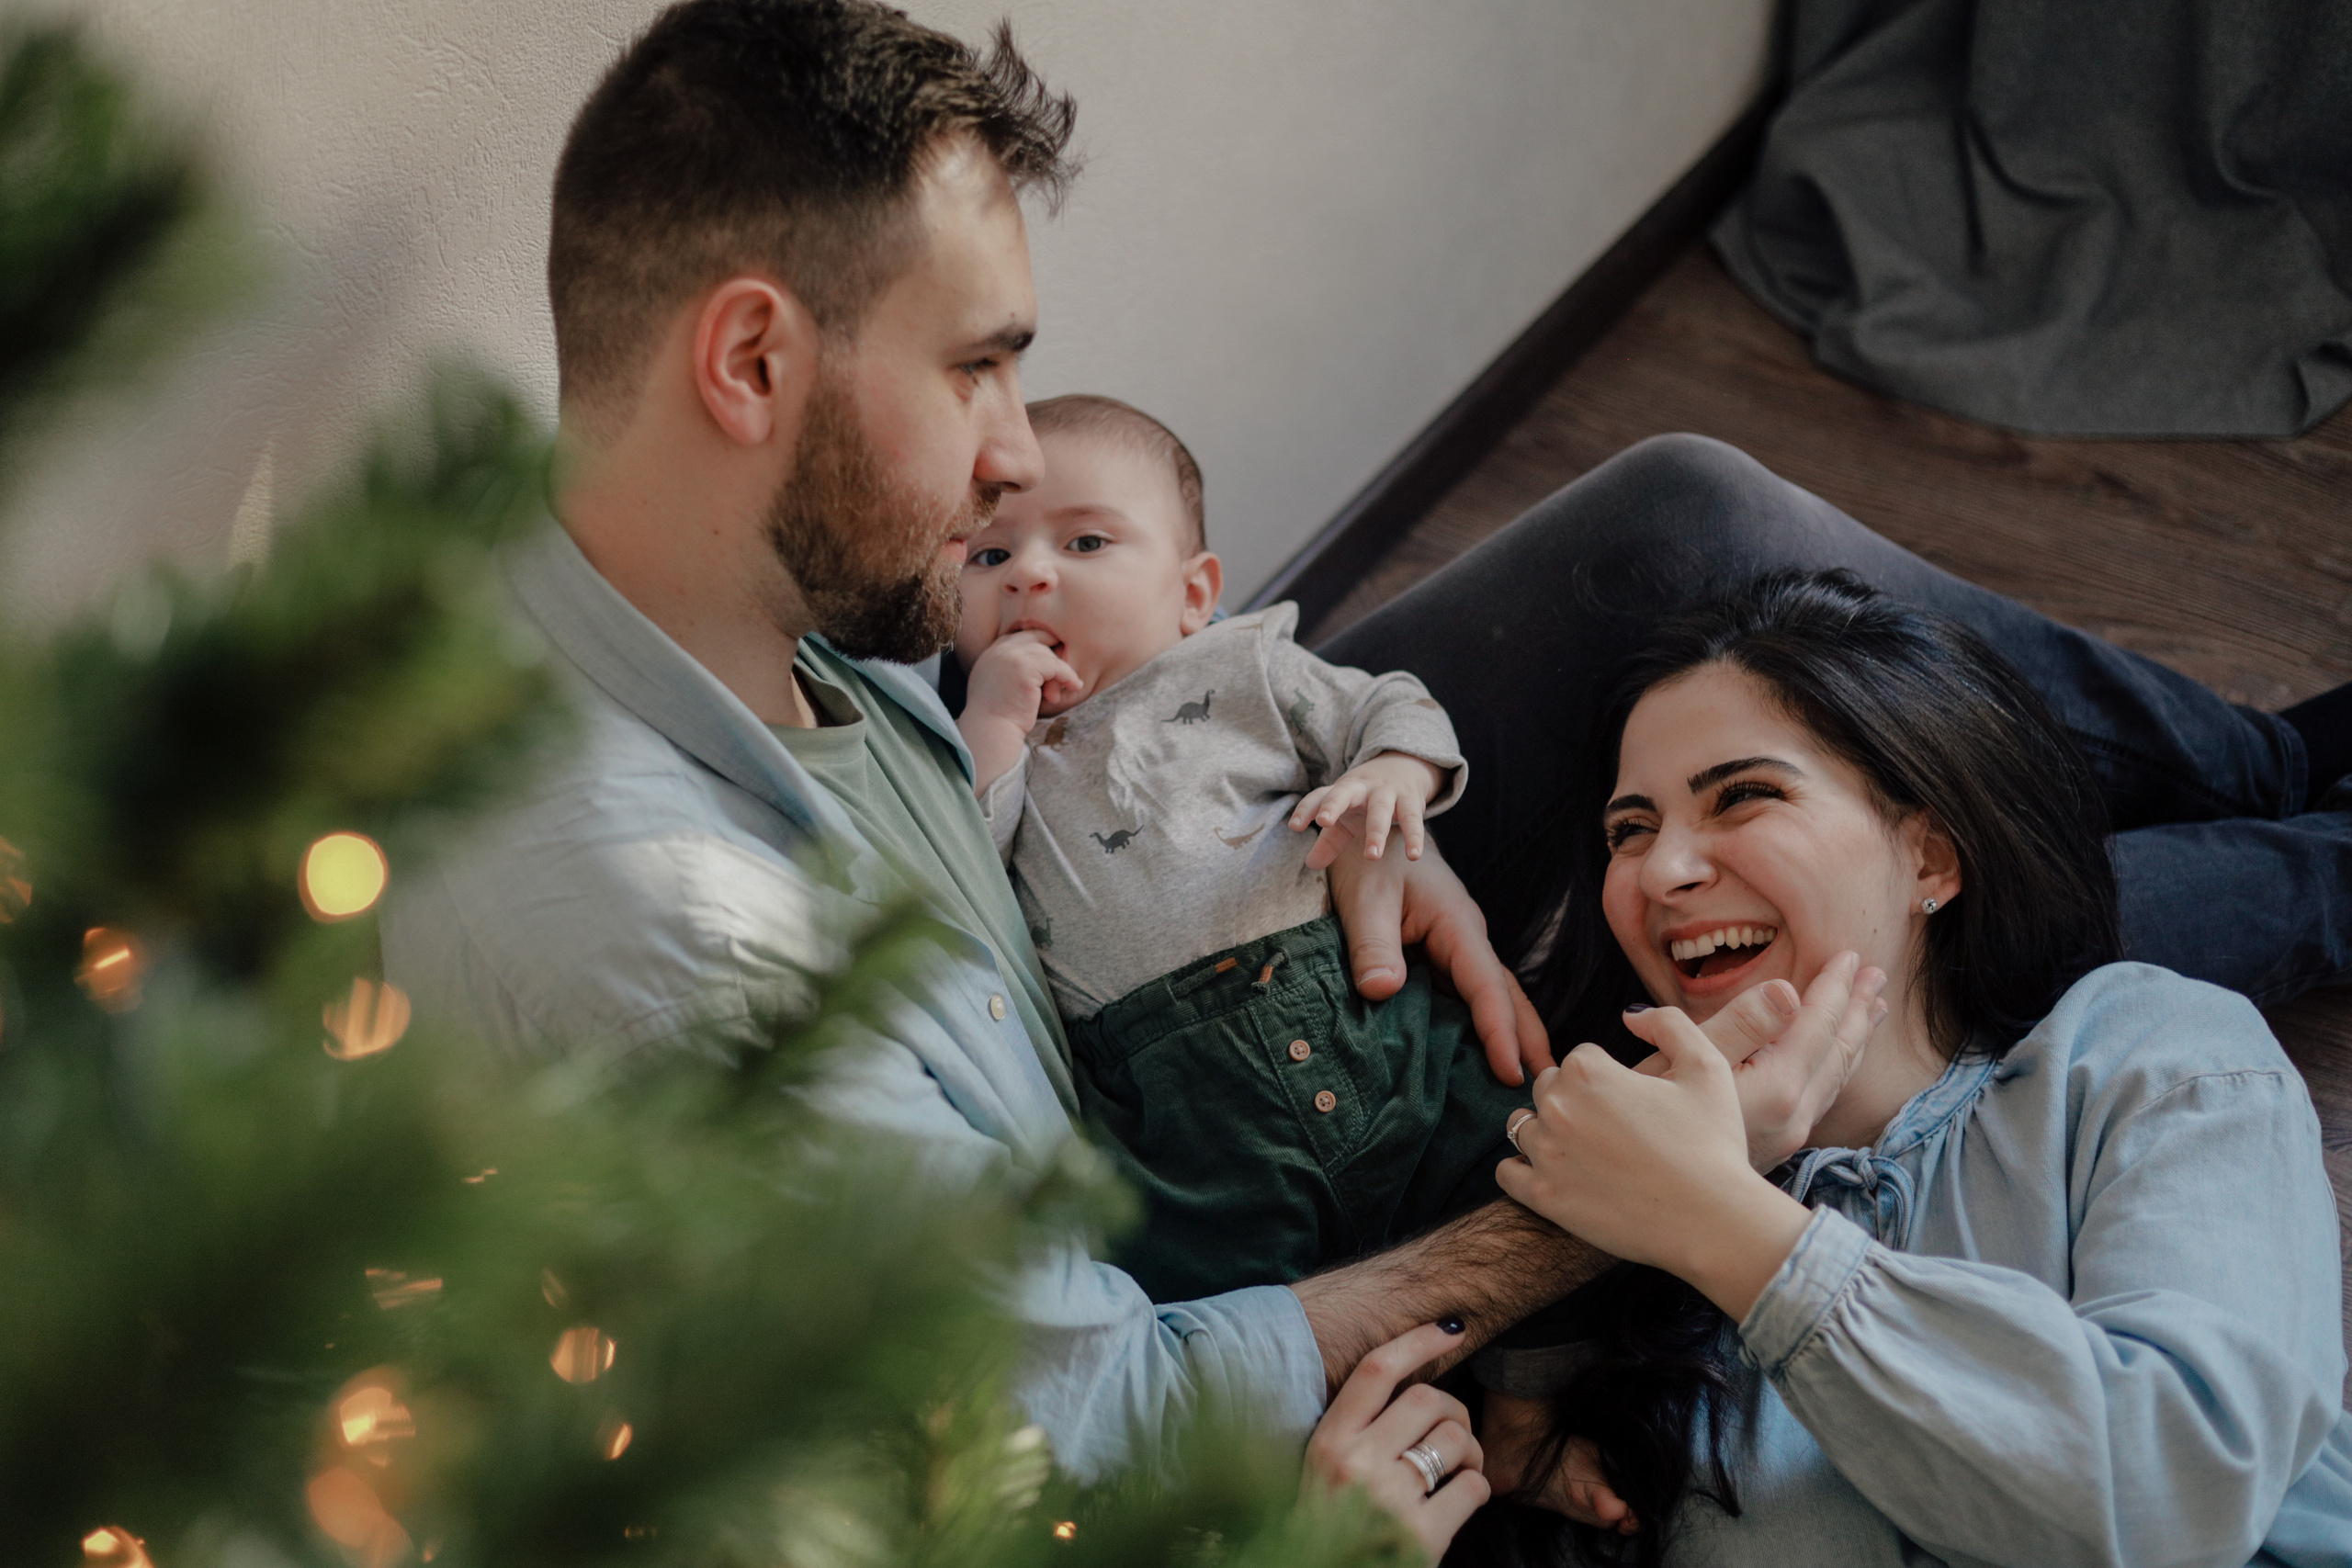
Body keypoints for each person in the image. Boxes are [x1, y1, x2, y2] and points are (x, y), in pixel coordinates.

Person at [379, 0, 2351, 1519]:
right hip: (1220, 1162)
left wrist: (1349, 818)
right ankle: (2315, 860)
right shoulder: (665, 931)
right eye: (975, 364)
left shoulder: (746, 611)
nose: (1011, 454)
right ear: (749, 364)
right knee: (1851, 937)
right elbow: (1105, 1401)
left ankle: (2276, 759)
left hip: (1207, 906)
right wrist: (1613, 1208)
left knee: (1678, 535)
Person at [1461, 570, 2352, 1564]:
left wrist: (1719, 1224)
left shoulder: (2148, 1049)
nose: (1662, 871)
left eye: (1742, 795)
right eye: (1631, 830)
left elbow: (2175, 1493)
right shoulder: (1611, 1275)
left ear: (1930, 858)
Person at [953, 392, 1543, 1303]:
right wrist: (991, 720)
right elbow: (960, 862)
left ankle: (1534, 1404)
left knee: (1515, 1170)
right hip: (1175, 1109)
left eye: (1084, 544)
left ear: (1193, 594)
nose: (1028, 576)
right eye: (989, 555)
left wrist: (1392, 772)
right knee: (1218, 1295)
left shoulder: (1241, 667)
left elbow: (1389, 702)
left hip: (1363, 1015)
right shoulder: (991, 751)